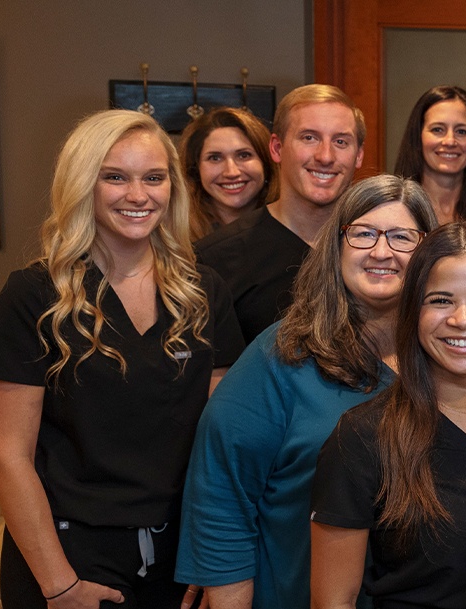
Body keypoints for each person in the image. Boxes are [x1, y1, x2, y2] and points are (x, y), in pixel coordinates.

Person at [0, 110, 243, 608]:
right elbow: (8, 454)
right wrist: (58, 584)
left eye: (154, 177)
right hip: (66, 558)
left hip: (178, 559)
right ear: (83, 184)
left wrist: (214, 555)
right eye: (115, 177)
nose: (138, 195)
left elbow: (221, 444)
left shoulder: (202, 293)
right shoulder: (34, 294)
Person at [177, 175, 436, 609]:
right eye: (364, 233)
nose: (381, 251)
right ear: (335, 245)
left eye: (402, 237)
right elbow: (221, 497)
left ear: (430, 251)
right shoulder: (282, 356)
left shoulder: (449, 357)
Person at [310, 221, 466, 609]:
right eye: (441, 300)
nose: (463, 319)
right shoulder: (362, 437)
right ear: (413, 312)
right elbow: (334, 601)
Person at [196, 84, 366, 344]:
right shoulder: (215, 261)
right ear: (276, 148)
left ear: (358, 155)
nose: (325, 156)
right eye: (309, 138)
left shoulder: (378, 249)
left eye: (341, 141)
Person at [393, 85, 466, 224]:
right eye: (438, 129)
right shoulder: (393, 213)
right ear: (418, 136)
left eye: (461, 131)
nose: (450, 141)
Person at [180, 107, 276, 240]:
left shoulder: (293, 228)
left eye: (243, 155)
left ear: (266, 163)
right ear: (195, 169)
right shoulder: (174, 235)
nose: (231, 172)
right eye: (215, 158)